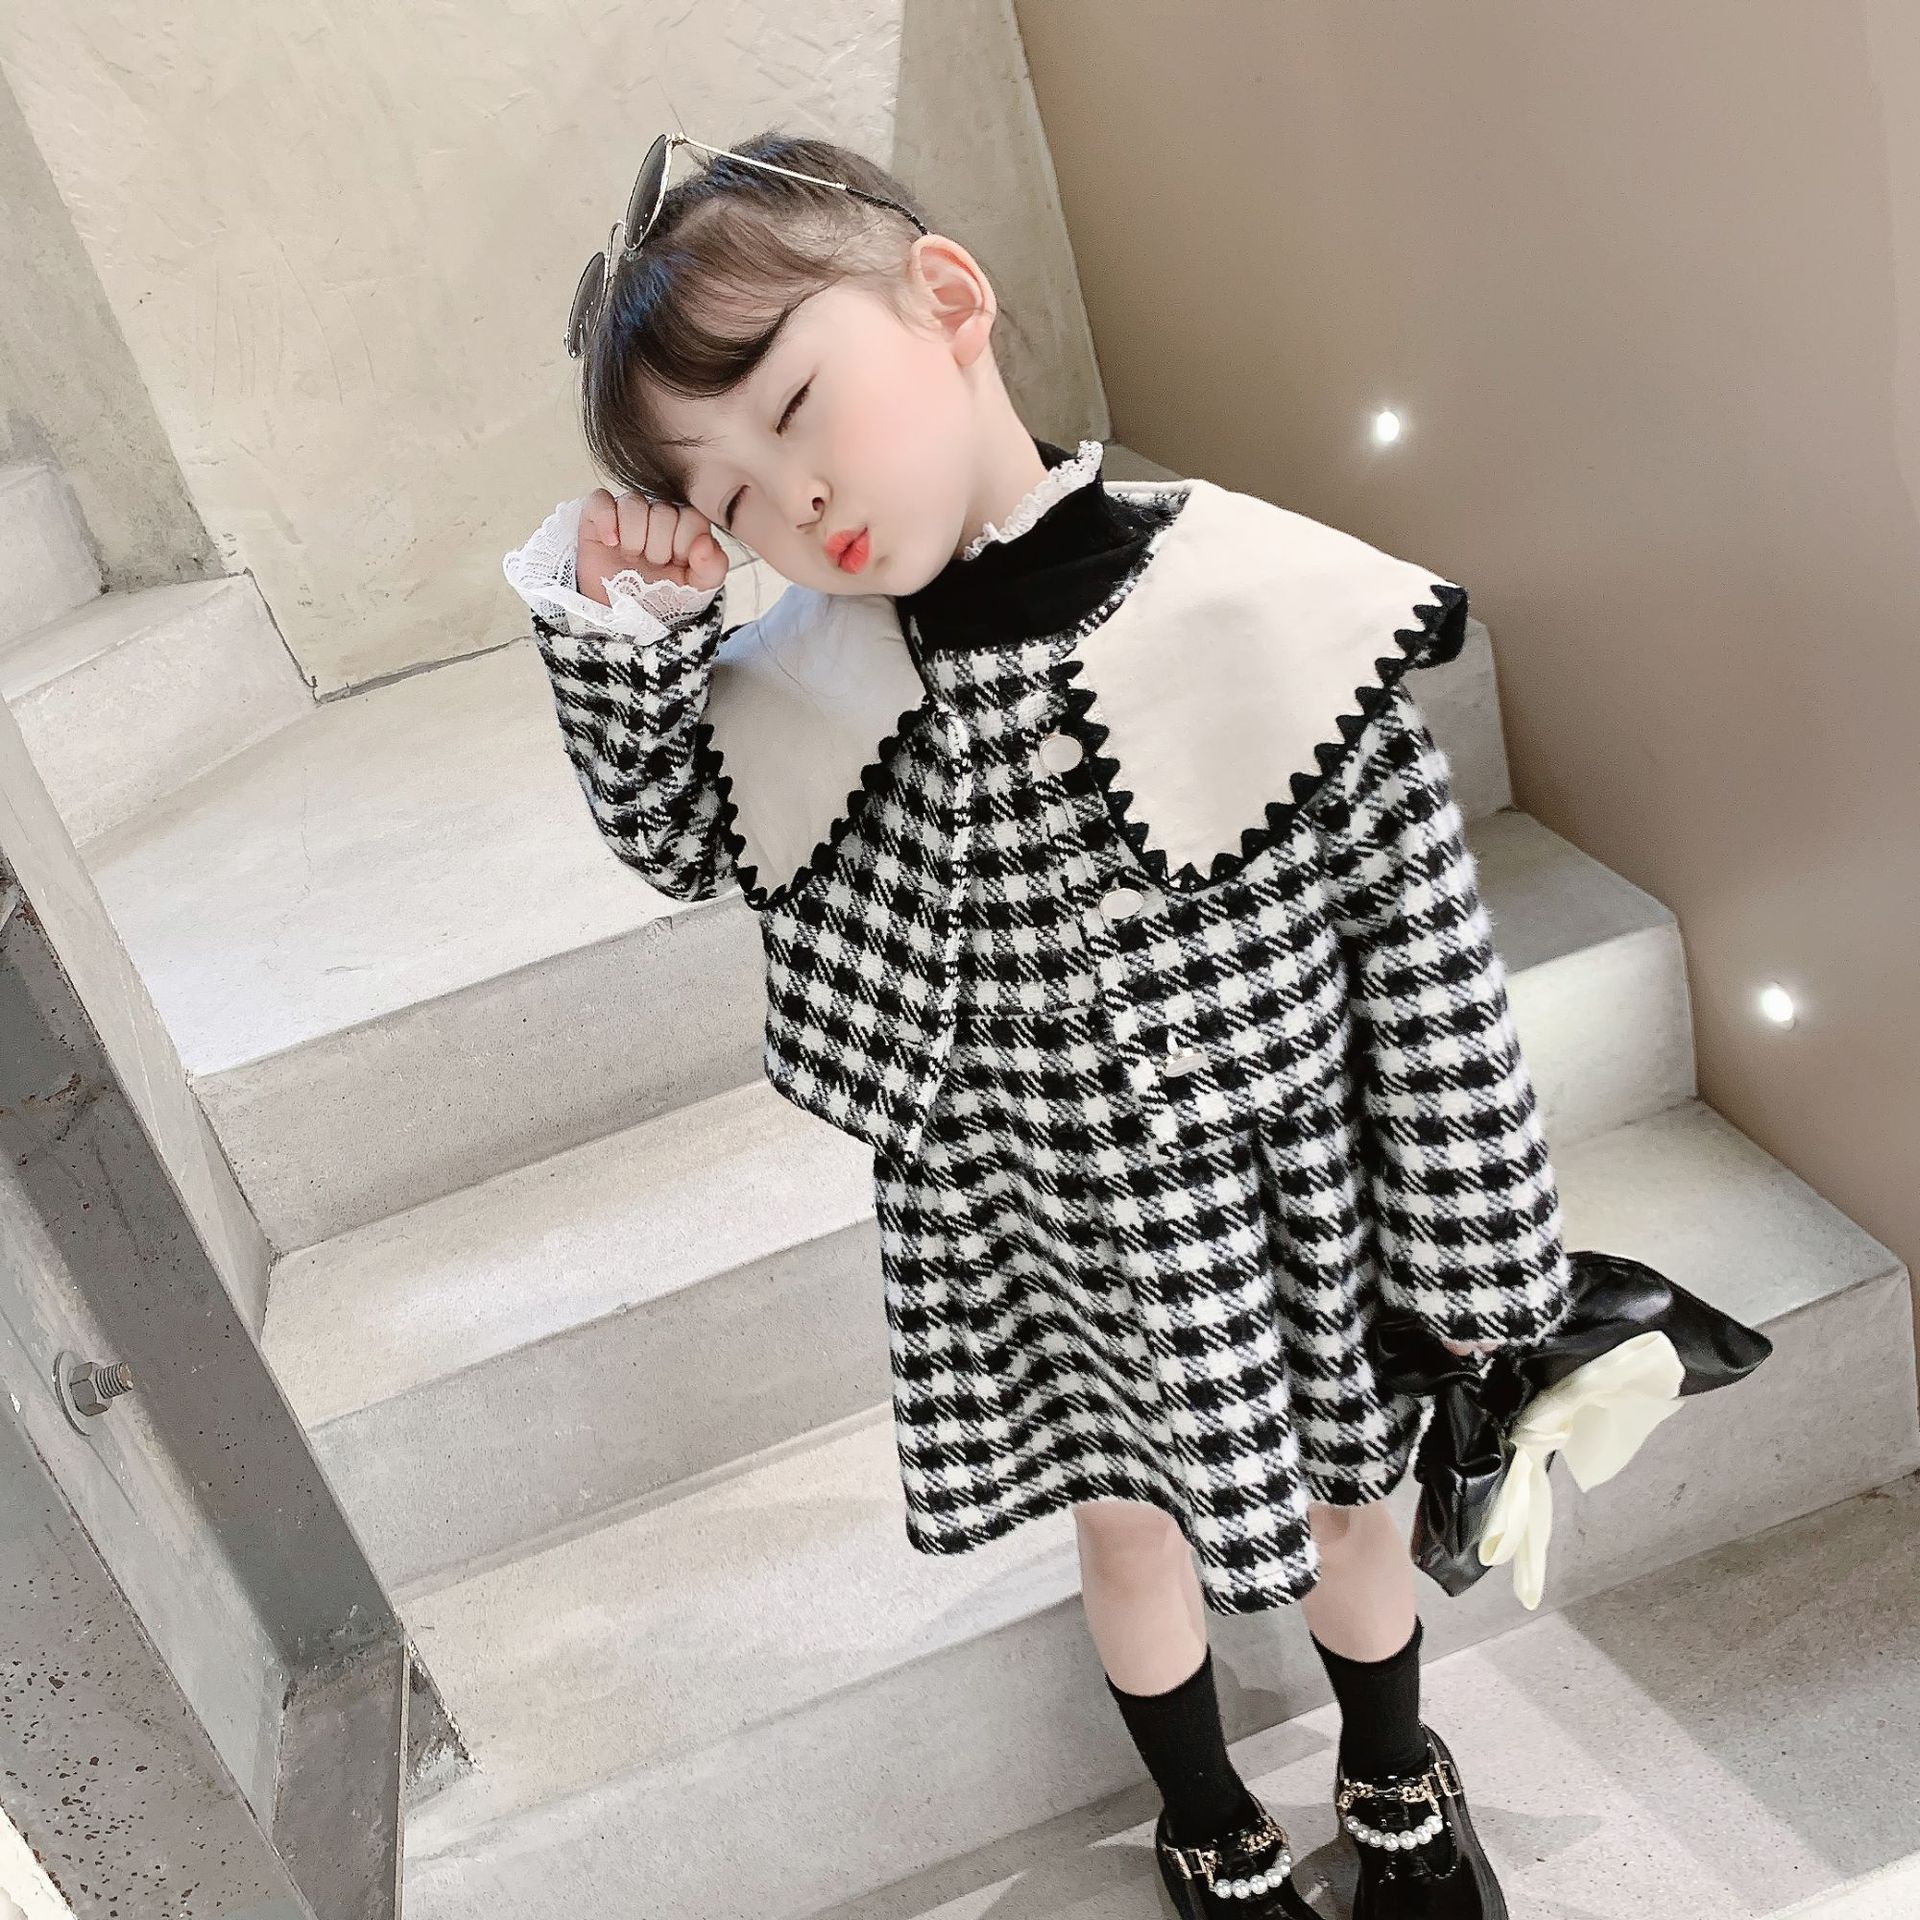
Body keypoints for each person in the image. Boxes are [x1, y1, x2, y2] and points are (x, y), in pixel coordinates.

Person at [503, 128, 1573, 1919]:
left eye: (796, 405)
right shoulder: (822, 684)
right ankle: (1207, 1818)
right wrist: (636, 629)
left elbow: (1428, 971)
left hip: (1281, 1193)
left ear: (946, 301)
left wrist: (1481, 1274)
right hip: (1017, 1206)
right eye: (733, 499)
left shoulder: (1269, 609)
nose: (795, 501)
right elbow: (684, 831)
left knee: (1350, 1507)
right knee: (1125, 1526)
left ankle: (1395, 1772)